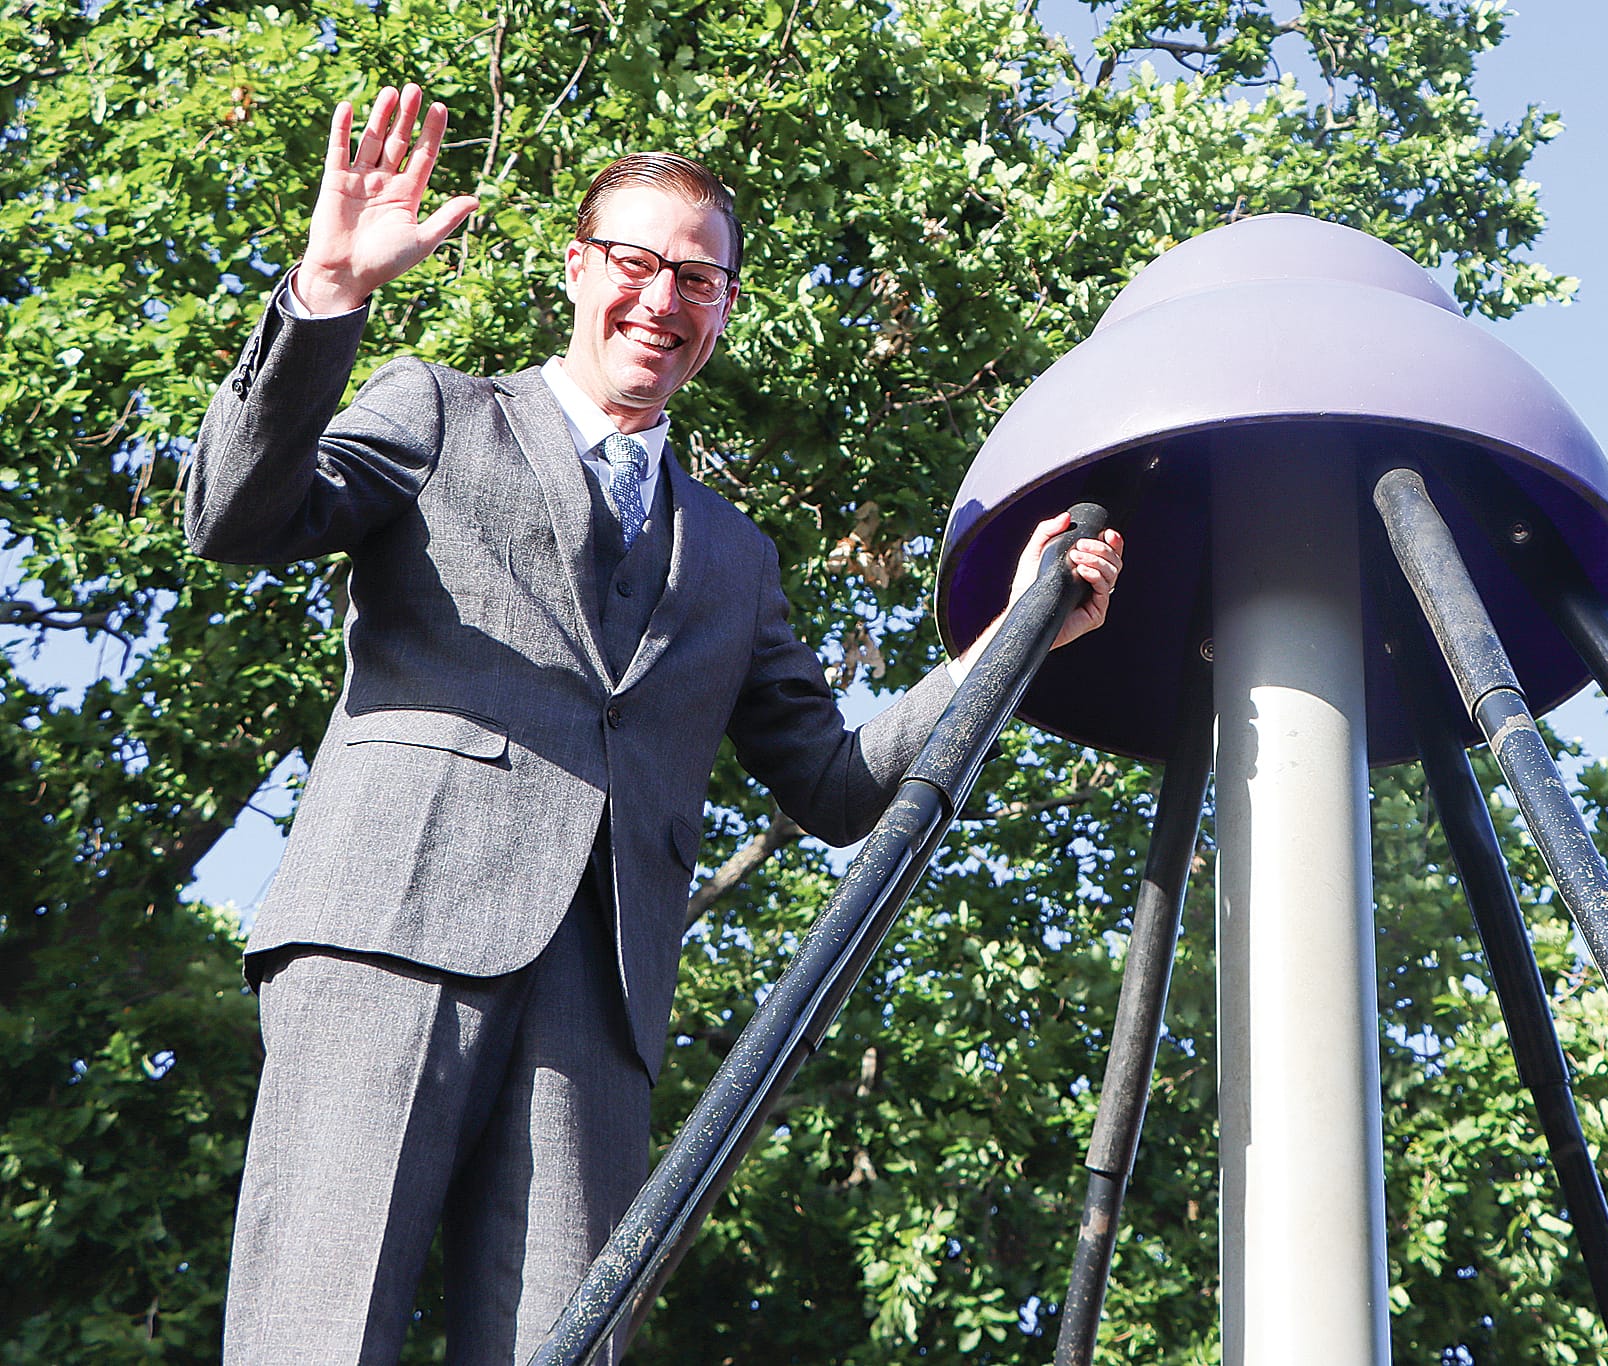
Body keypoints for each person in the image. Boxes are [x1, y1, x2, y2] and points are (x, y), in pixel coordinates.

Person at [185, 84, 1122, 1365]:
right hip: (387, 933)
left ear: (723, 308)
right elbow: (234, 518)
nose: (661, 299)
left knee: (563, 1345)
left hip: (599, 1005)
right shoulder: (438, 408)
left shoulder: (734, 557)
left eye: (698, 277)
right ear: (578, 268)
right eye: (634, 261)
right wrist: (326, 298)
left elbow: (838, 787)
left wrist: (1000, 647)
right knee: (317, 1329)